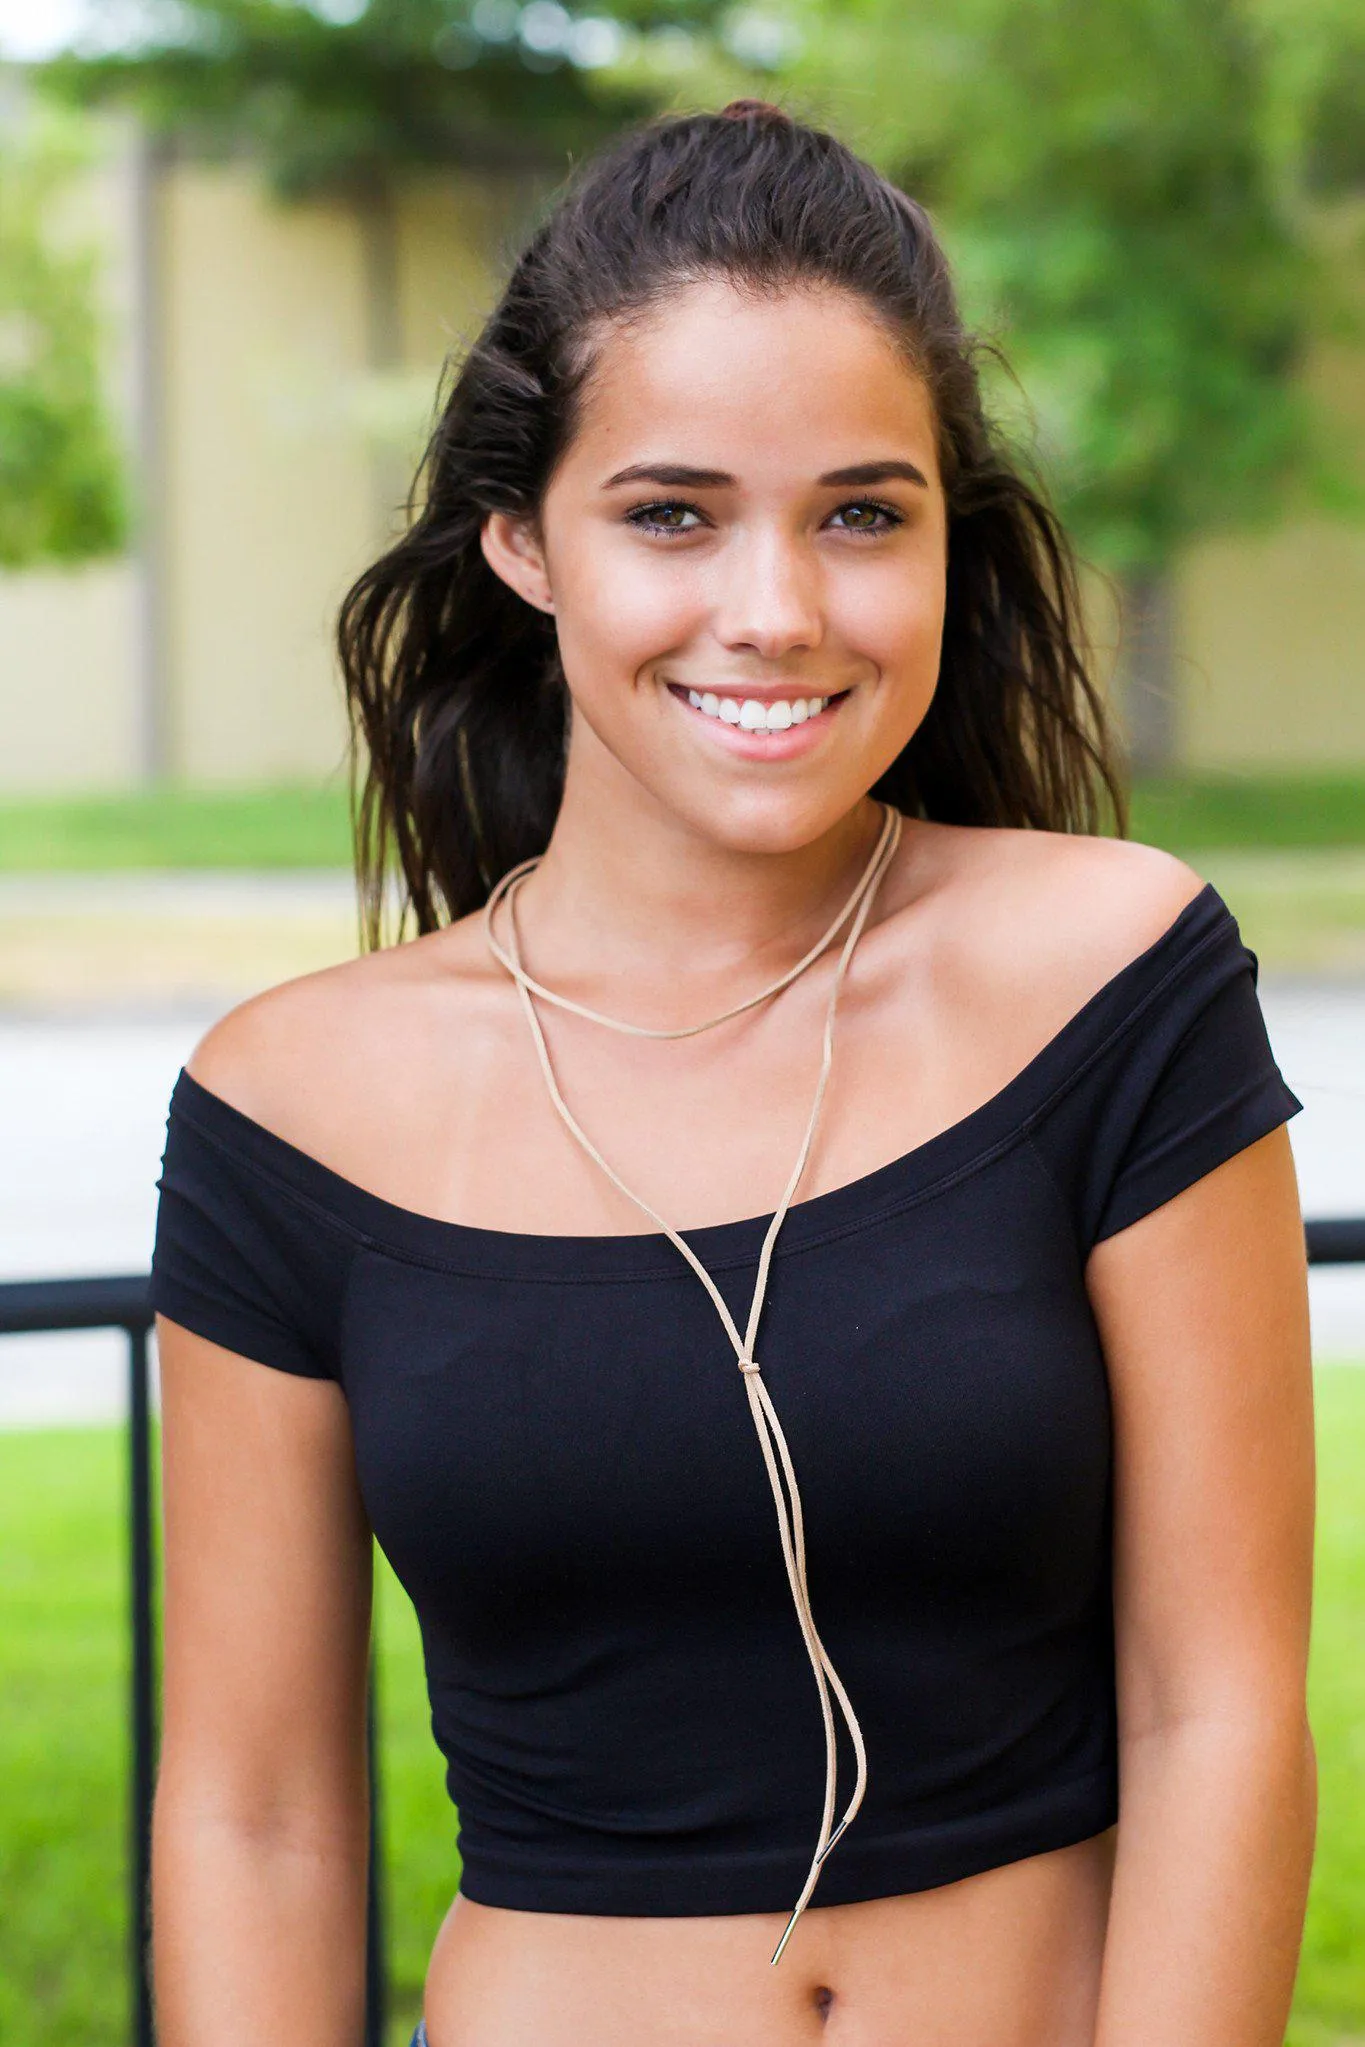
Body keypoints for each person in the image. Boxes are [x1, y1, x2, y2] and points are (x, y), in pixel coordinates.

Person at [148, 101, 1316, 2047]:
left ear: (952, 530)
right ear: (522, 538)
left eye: (862, 512)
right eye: (670, 513)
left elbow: (1220, 1711)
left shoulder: (1112, 982)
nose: (773, 609)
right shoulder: (289, 1109)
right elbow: (256, 1817)